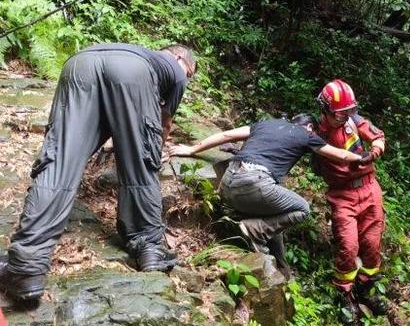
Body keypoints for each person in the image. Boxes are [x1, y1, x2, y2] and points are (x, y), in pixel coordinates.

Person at [0, 42, 196, 301]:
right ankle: (149, 248)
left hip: (79, 63)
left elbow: (109, 108)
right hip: (132, 73)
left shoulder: (140, 52)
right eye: (191, 73)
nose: (188, 79)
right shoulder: (176, 70)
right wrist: (150, 151)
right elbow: (163, 121)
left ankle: (26, 266)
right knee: (140, 167)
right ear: (181, 57)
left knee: (59, 160)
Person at [170, 114, 369, 278]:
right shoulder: (306, 135)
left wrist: (192, 149)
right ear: (310, 127)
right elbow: (341, 155)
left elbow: (227, 135)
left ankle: (282, 269)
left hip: (228, 183)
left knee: (276, 216)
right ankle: (253, 230)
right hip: (253, 184)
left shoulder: (266, 124)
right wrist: (363, 157)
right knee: (302, 209)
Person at [313, 79, 387, 324]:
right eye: (340, 113)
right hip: (342, 194)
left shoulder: (354, 121)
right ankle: (344, 293)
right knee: (348, 245)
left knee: (372, 243)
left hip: (369, 189)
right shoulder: (316, 131)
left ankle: (366, 288)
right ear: (325, 109)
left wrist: (374, 151)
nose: (345, 117)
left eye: (349, 112)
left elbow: (377, 137)